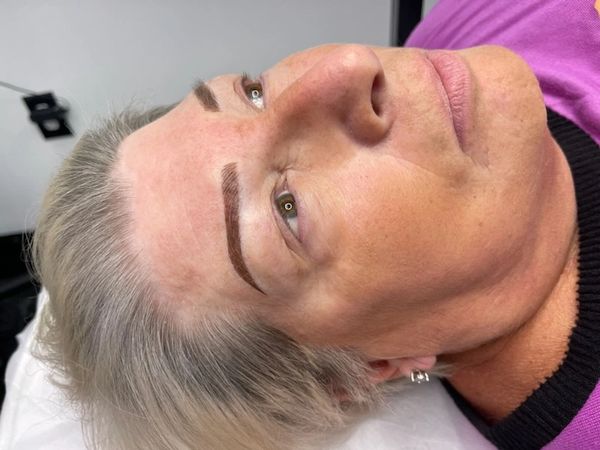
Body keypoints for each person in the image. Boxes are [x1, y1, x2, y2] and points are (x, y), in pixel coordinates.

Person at [31, 1, 599, 449]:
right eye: (288, 209)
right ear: (366, 368)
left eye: (252, 93)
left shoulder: (456, 28)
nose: (345, 66)